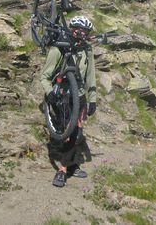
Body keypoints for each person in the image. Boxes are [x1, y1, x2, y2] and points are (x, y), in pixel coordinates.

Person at [40, 15, 97, 188]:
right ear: (71, 29)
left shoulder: (86, 50)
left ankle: (71, 165)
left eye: (85, 31)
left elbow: (90, 76)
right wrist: (50, 93)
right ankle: (63, 170)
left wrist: (92, 99)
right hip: (62, 95)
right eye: (78, 29)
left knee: (77, 134)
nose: (81, 33)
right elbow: (45, 76)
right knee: (69, 134)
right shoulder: (59, 49)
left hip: (79, 96)